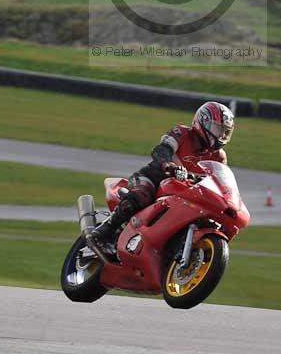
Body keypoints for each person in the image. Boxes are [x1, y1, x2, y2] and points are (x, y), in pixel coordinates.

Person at [89, 101, 235, 250]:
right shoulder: (182, 133)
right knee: (141, 196)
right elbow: (161, 149)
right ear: (202, 122)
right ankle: (103, 232)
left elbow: (220, 180)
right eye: (217, 129)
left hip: (186, 192)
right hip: (156, 178)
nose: (221, 135)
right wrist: (168, 165)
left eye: (225, 131)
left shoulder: (219, 156)